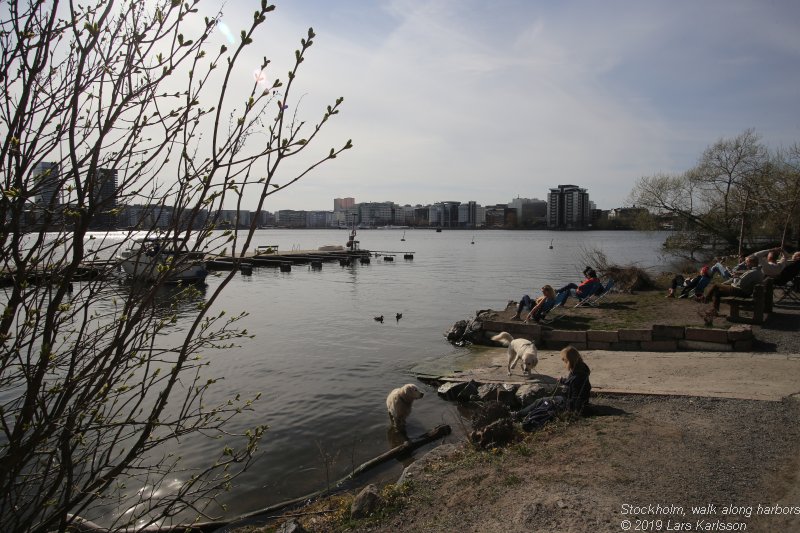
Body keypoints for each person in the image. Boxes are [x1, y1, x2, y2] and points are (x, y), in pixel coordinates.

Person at [512, 346, 592, 427]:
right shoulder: (582, 367)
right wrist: (563, 380)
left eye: (564, 359)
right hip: (580, 402)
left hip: (571, 405)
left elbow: (575, 398)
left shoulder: (576, 377)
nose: (563, 361)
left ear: (569, 360)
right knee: (544, 401)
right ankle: (521, 414)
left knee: (541, 401)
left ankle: (518, 415)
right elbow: (574, 383)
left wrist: (559, 403)